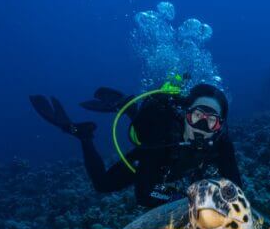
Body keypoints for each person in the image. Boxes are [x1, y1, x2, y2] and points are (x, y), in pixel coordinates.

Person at [30, 83, 242, 207]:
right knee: (103, 184)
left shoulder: (222, 144)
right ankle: (85, 135)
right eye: (197, 116)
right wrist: (187, 200)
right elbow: (144, 194)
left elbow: (236, 192)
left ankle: (127, 106)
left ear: (220, 126)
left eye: (211, 120)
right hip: (155, 143)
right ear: (185, 114)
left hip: (176, 166)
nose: (202, 126)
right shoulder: (163, 137)